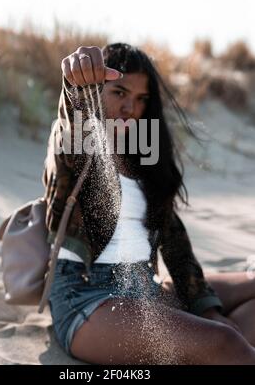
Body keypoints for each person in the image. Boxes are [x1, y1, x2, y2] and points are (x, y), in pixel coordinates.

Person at [42, 43, 255, 365]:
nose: (131, 107)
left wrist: (209, 311)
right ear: (97, 91)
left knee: (234, 327)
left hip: (145, 289)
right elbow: (70, 124)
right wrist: (75, 87)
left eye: (141, 99)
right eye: (119, 92)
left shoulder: (145, 161)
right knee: (226, 341)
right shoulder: (78, 150)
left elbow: (176, 246)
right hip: (87, 299)